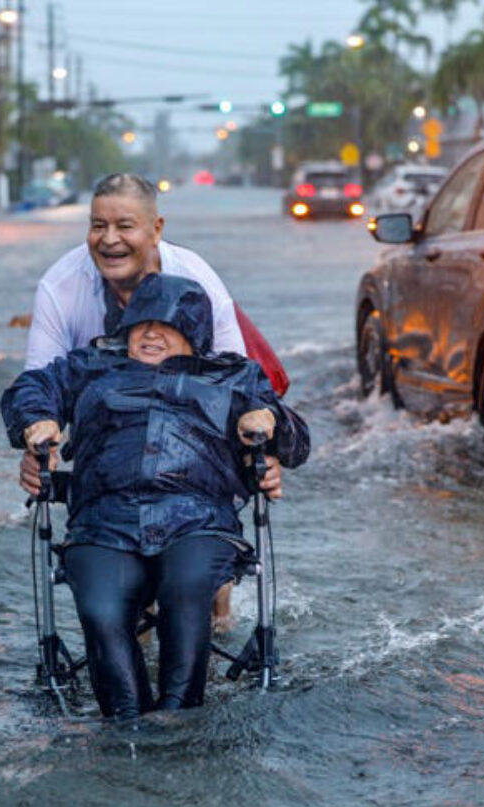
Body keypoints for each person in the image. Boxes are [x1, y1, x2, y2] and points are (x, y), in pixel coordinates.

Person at [1, 274, 309, 720]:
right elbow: (30, 388)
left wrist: (270, 417)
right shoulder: (90, 366)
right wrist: (37, 421)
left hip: (198, 519)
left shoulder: (234, 376)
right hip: (103, 520)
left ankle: (178, 720)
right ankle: (126, 723)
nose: (149, 334)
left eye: (166, 326)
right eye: (140, 324)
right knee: (101, 608)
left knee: (186, 590)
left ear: (195, 334)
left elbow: (299, 445)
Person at [19, 172, 285, 626]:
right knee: (126, 596)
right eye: (98, 226)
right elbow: (40, 384)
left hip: (193, 449)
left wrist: (262, 456)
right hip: (112, 437)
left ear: (156, 229)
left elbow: (239, 385)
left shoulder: (196, 280)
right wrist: (36, 440)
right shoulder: (62, 288)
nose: (109, 240)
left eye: (125, 226)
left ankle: (216, 604)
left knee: (203, 582)